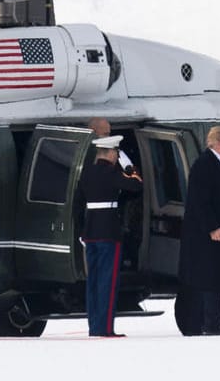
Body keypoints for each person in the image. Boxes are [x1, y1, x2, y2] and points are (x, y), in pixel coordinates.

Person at [176, 125, 220, 335]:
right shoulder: (205, 165)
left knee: (217, 279)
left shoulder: (219, 164)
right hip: (207, 238)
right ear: (219, 142)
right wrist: (212, 227)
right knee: (209, 281)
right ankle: (207, 325)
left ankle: (212, 324)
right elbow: (199, 201)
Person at [80, 133, 141, 337]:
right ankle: (105, 328)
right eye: (116, 152)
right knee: (108, 281)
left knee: (94, 281)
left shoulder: (88, 171)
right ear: (112, 153)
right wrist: (129, 168)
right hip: (108, 232)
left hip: (91, 231)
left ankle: (94, 326)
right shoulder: (111, 172)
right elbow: (136, 184)